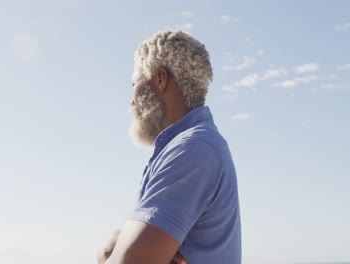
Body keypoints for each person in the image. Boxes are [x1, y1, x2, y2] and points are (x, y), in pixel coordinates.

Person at [97, 30, 242, 264]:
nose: (132, 100)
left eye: (135, 83)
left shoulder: (192, 150)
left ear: (160, 79)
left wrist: (114, 248)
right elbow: (115, 254)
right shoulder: (189, 146)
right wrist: (111, 245)